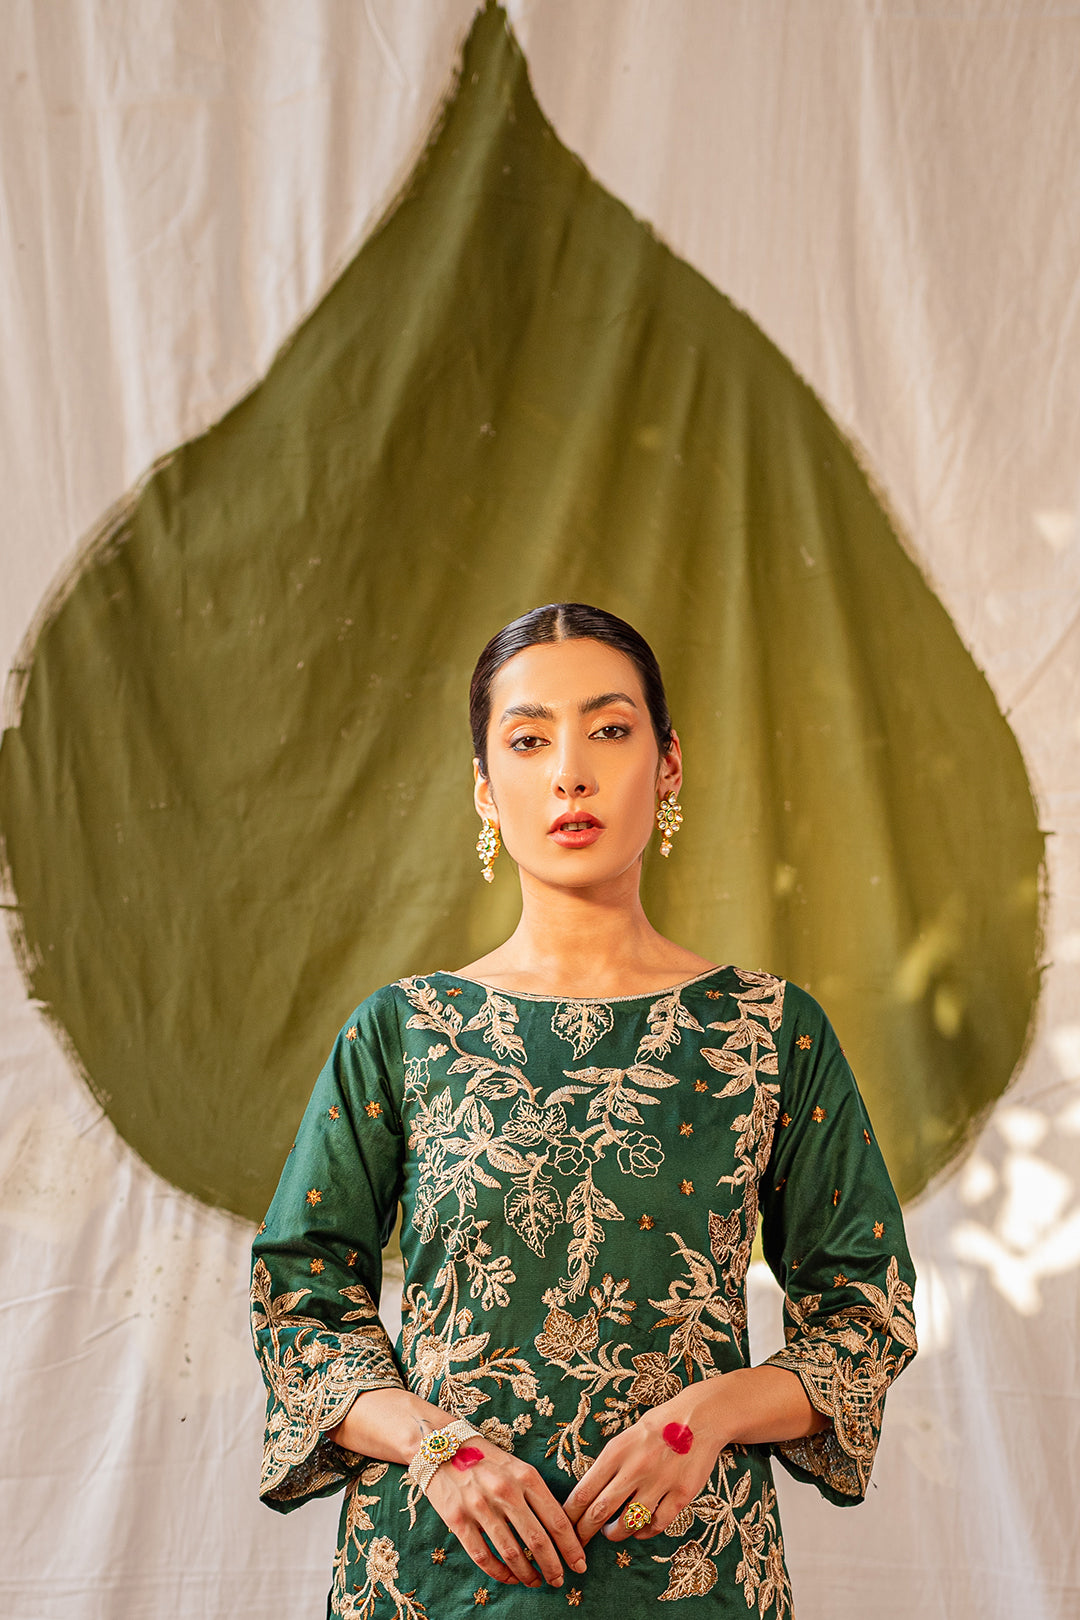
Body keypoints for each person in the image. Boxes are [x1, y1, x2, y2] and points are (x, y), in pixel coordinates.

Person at [251, 602, 917, 1619]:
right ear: (485, 787)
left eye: (609, 730)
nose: (571, 772)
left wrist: (707, 1416)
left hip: (693, 1578)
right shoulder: (403, 1032)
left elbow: (865, 1310)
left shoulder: (768, 1031)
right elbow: (298, 1296)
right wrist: (440, 1448)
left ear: (668, 764)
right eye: (528, 740)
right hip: (434, 1577)